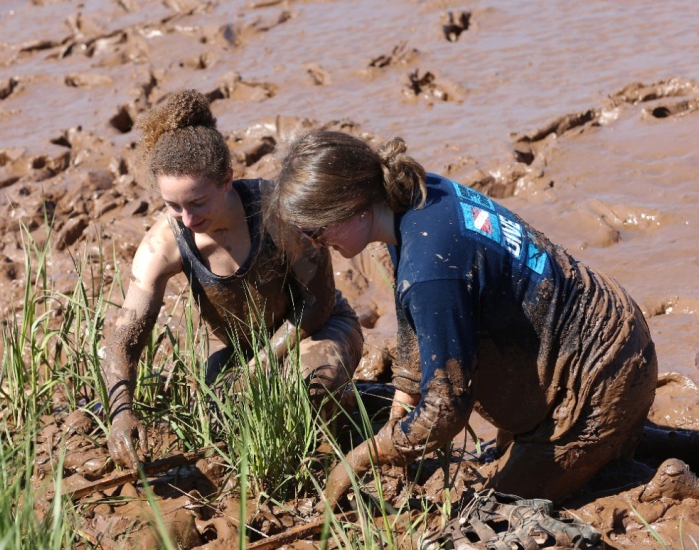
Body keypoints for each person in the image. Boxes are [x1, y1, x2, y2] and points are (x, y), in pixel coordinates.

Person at [265, 129, 665, 504]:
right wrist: (403, 396)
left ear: (352, 208)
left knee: (495, 512)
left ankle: (665, 482)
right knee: (599, 450)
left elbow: (445, 411)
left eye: (315, 229)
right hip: (613, 329)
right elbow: (416, 322)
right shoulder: (417, 196)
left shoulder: (429, 271)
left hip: (598, 381)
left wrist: (359, 459)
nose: (315, 242)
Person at [102, 91, 363, 471]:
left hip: (319, 328)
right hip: (238, 353)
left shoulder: (278, 213)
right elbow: (124, 337)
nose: (186, 219)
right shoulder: (162, 244)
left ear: (227, 180)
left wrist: (259, 368)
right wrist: (120, 412)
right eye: (172, 206)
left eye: (197, 203)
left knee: (312, 388)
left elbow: (318, 304)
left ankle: (340, 454)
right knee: (222, 430)